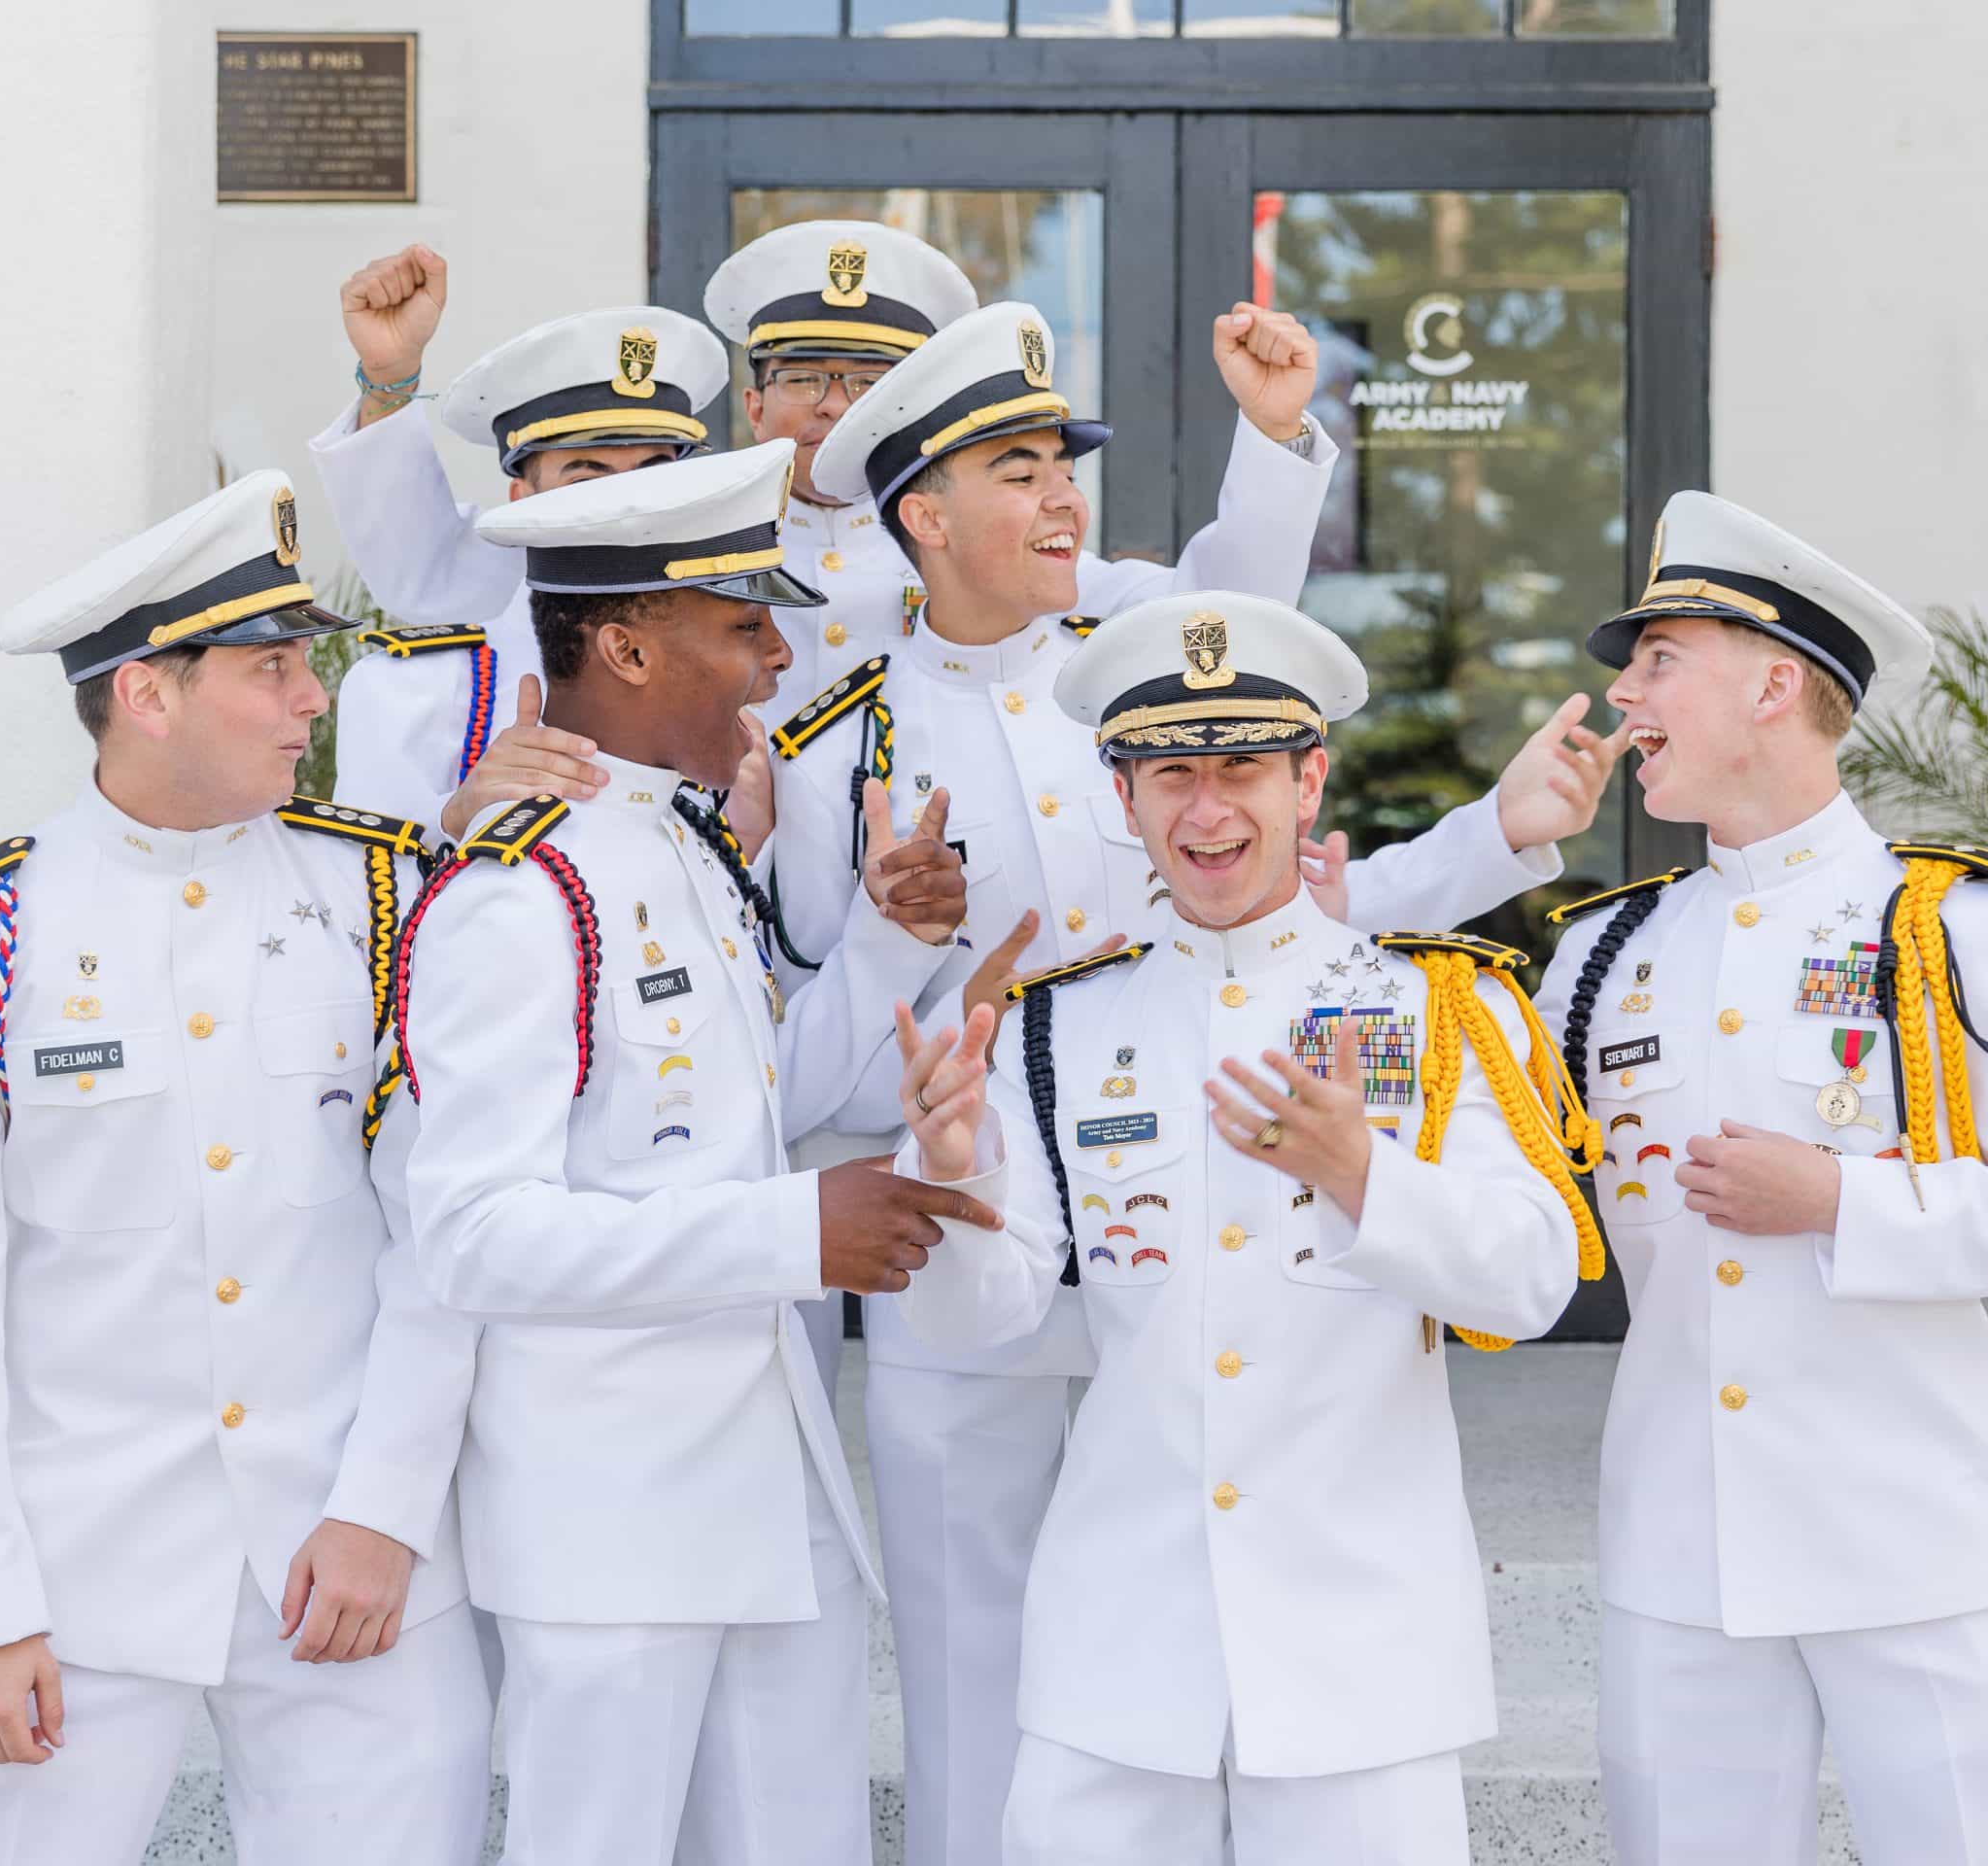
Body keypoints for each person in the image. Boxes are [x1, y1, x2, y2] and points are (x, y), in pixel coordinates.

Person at [777, 296, 1622, 1866]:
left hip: (1305, 1499)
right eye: (1018, 471)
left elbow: (1311, 910)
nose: (1203, 806)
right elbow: (819, 1066)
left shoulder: (1134, 664)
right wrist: (929, 1078)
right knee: (978, 1710)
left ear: (1306, 776)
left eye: (1062, 466)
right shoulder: (838, 747)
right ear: (924, 515)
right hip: (1015, 1248)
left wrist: (1489, 853)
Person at [887, 589, 1602, 1864]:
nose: (1206, 811)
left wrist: (1363, 1174)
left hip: (1361, 1661)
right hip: (1118, 1660)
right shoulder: (1054, 1027)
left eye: (1241, 771)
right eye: (1171, 774)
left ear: (1309, 781)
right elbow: (974, 1319)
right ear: (1122, 797)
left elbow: (1533, 1280)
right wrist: (950, 1182)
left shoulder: (1441, 1007)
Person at [0, 471, 489, 1864]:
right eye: (272, 669)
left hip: (350, 1564)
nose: (314, 699)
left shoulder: (380, 897)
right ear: (147, 692)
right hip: (73, 1582)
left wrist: (387, 1507)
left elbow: (440, 1236)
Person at [392, 437, 988, 1865]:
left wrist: (889, 948)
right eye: (741, 628)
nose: (780, 659)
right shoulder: (524, 891)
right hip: (609, 1524)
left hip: (767, 1486)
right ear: (626, 649)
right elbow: (471, 1236)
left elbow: (749, 1114)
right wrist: (795, 1232)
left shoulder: (682, 849)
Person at [1530, 490, 1988, 1866]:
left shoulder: (1955, 923)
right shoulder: (1605, 954)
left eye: (1660, 660)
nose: (1622, 694)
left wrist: (1841, 1202)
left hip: (1915, 1541)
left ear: (1774, 687)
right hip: (1683, 1548)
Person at [312, 272, 731, 838]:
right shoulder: (418, 692)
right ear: (521, 499)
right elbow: (362, 877)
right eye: (587, 479)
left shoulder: (726, 666)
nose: (627, 507)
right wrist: (453, 817)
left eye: (652, 475)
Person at [703, 217, 983, 678]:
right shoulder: (700, 552)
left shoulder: (970, 547)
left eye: (869, 382)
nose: (834, 405)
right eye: (801, 379)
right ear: (754, 409)